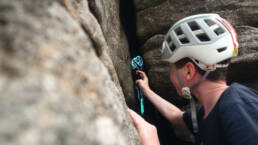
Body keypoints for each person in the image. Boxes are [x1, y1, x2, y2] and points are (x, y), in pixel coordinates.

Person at [128, 13, 258, 145]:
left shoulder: (237, 106)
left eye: (171, 69)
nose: (170, 75)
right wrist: (146, 90)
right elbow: (177, 117)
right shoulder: (209, 111)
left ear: (188, 71)